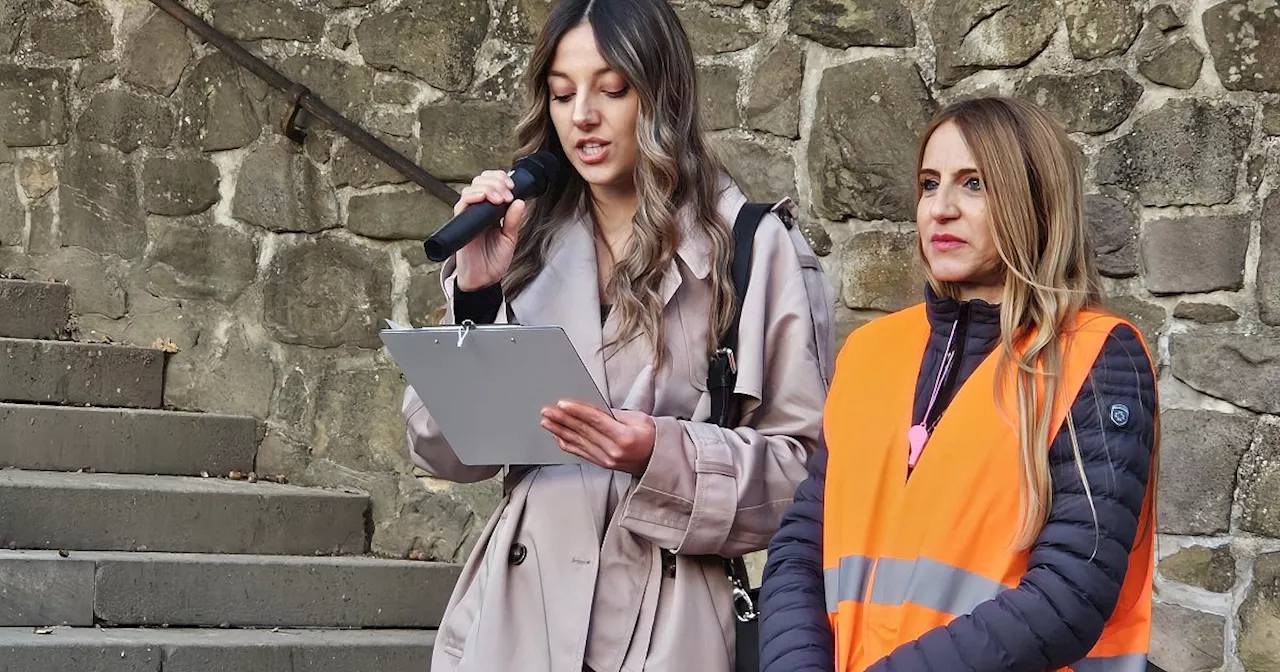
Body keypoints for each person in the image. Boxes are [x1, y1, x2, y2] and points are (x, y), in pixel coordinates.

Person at [399, 0, 831, 670]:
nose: (583, 117)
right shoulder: (527, 240)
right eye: (563, 93)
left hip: (670, 621)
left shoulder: (753, 246)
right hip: (518, 615)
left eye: (612, 88)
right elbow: (440, 453)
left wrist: (658, 454)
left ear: (662, 94)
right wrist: (477, 297)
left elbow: (803, 480)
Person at [757, 97, 1159, 671]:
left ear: (1035, 201)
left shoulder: (1098, 355)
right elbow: (801, 545)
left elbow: (1069, 595)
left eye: (974, 184)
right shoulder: (870, 352)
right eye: (928, 184)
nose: (940, 209)